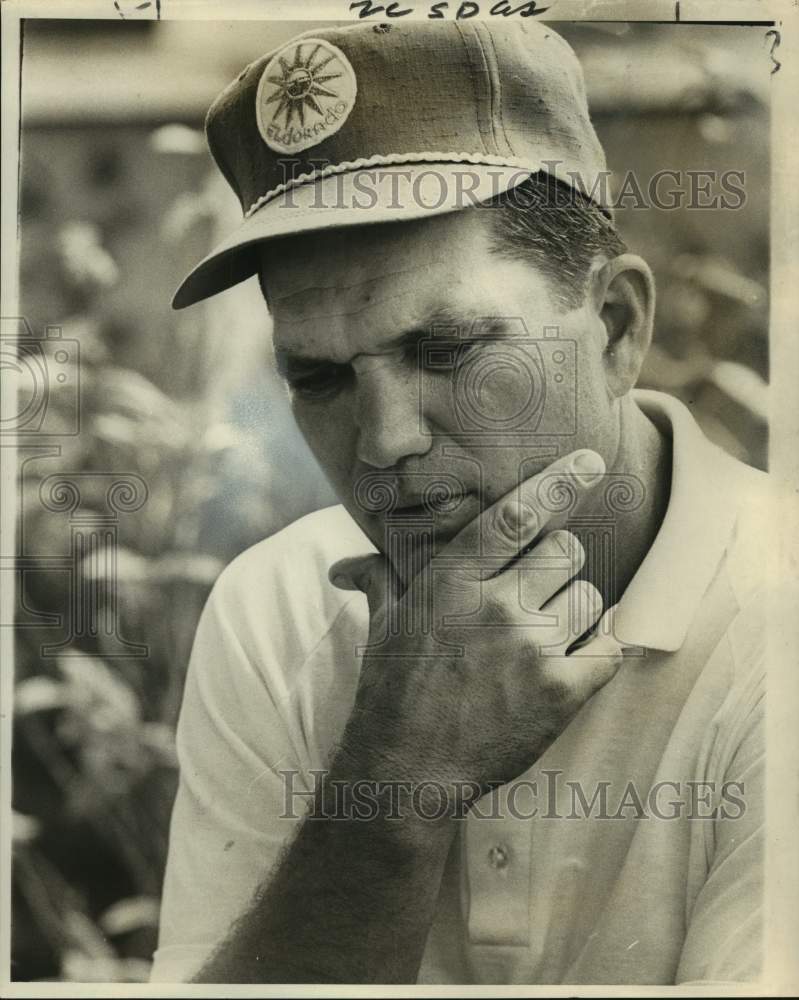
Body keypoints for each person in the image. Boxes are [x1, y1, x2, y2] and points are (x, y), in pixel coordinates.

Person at [152, 20, 767, 985]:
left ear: (613, 328)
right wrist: (397, 782)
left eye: (445, 353)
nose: (384, 439)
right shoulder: (278, 610)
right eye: (318, 377)